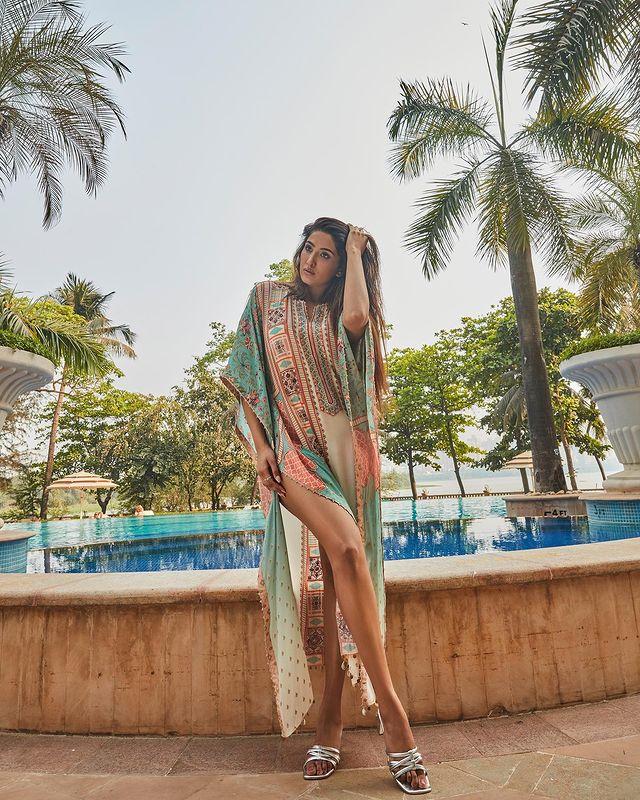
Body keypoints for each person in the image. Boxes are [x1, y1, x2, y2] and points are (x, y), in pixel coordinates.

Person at [221, 217, 430, 794]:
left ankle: (331, 722)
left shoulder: (342, 312)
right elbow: (245, 379)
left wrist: (358, 249)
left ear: (342, 269)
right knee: (347, 550)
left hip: (344, 451)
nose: (309, 261)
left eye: (326, 255)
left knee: (341, 575)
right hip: (291, 452)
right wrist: (260, 448)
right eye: (307, 249)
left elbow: (359, 318)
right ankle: (394, 717)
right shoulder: (265, 299)